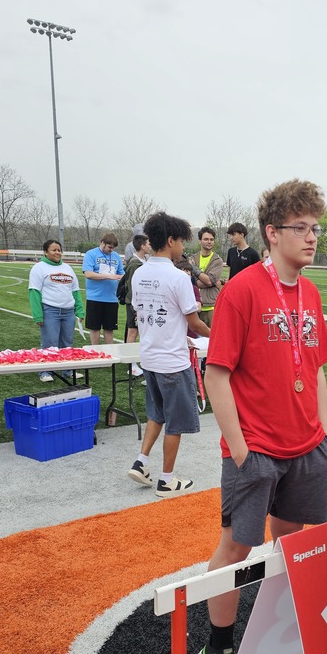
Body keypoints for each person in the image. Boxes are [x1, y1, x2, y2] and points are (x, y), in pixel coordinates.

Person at [194, 178, 327, 654]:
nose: (312, 237)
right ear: (272, 233)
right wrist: (239, 447)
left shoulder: (312, 291)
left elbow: (317, 367)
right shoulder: (242, 289)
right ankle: (216, 647)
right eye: (301, 228)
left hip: (305, 448)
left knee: (295, 545)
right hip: (255, 448)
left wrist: (323, 434)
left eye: (315, 228)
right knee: (235, 547)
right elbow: (217, 374)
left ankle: (284, 633)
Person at [126, 213, 211, 496]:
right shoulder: (177, 277)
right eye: (182, 242)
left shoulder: (140, 272)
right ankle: (166, 479)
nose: (183, 248)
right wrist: (221, 335)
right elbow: (195, 322)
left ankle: (141, 462)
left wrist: (179, 336)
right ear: (171, 240)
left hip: (150, 356)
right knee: (175, 422)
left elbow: (146, 315)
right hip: (172, 362)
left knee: (157, 413)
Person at [28, 239, 85, 382]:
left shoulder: (67, 268)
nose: (57, 252)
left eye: (59, 250)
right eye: (54, 250)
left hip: (68, 311)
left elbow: (75, 290)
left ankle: (67, 370)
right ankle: (46, 371)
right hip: (50, 310)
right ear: (46, 252)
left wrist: (80, 310)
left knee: (67, 342)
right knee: (49, 342)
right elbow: (34, 292)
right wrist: (38, 315)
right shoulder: (39, 268)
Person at [82, 232, 124, 345]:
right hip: (95, 297)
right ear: (103, 243)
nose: (111, 250)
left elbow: (121, 273)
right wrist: (108, 276)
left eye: (113, 248)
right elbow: (88, 274)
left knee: (109, 328)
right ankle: (95, 353)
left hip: (111, 298)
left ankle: (110, 354)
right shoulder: (91, 254)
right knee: (94, 328)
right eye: (109, 247)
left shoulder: (116, 257)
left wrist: (121, 277)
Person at [122, 233, 152, 377]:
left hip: (142, 303)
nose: (150, 246)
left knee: (139, 331)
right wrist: (137, 306)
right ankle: (131, 364)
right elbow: (133, 287)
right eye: (148, 244)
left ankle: (138, 361)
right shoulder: (134, 263)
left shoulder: (144, 260)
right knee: (132, 331)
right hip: (135, 303)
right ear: (142, 246)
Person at [187, 227, 224, 327]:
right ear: (200, 241)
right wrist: (206, 281)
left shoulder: (217, 261)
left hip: (211, 307)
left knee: (213, 339)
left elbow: (209, 281)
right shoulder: (192, 258)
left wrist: (194, 270)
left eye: (211, 239)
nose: (209, 242)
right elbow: (187, 281)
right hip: (194, 307)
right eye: (206, 239)